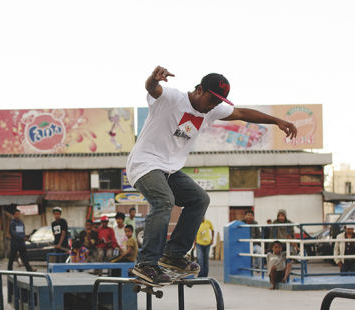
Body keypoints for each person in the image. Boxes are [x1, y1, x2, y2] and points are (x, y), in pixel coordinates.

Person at [126, 66, 297, 284]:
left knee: (200, 199)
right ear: (199, 90)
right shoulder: (172, 98)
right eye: (210, 100)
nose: (212, 107)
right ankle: (146, 263)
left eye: (217, 103)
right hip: (144, 163)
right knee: (164, 200)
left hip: (169, 170)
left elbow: (242, 113)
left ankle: (174, 255)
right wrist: (153, 78)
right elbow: (153, 89)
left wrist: (277, 121)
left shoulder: (210, 109)